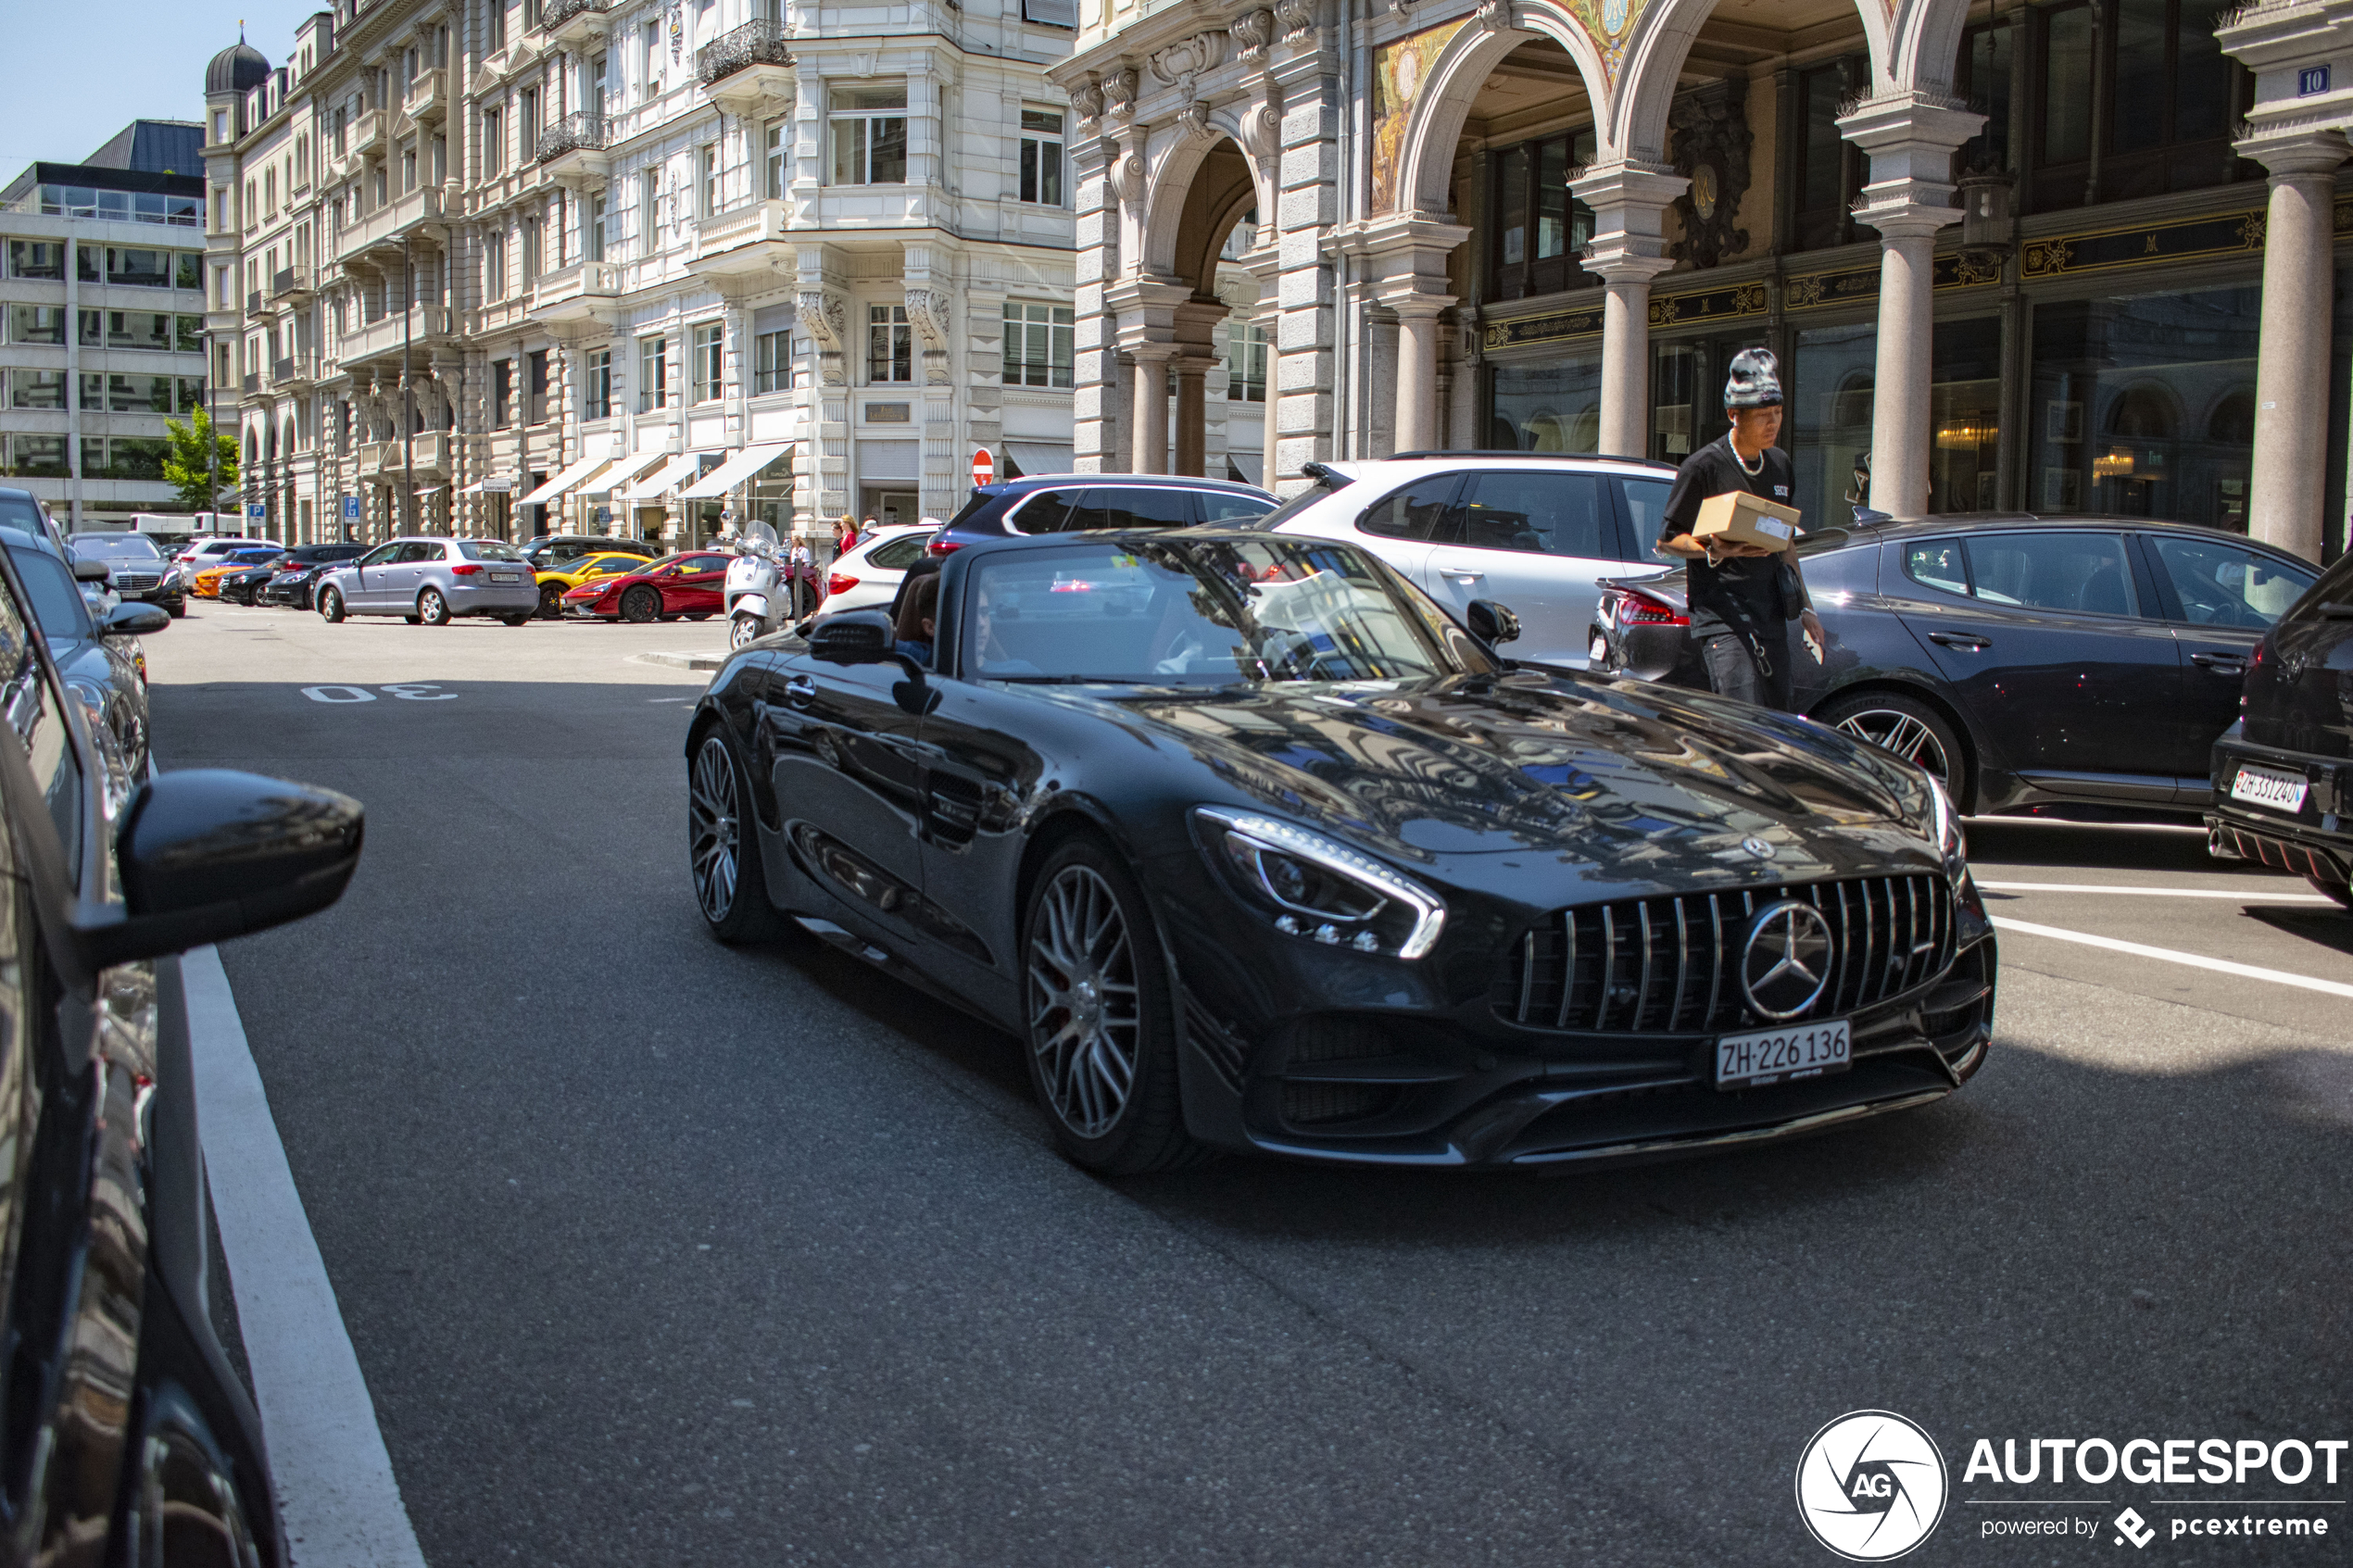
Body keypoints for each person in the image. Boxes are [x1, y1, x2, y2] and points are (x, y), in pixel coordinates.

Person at [1655, 347, 1825, 711]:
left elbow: (1786, 542)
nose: (1773, 423)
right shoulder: (1703, 466)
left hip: (1771, 613)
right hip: (1722, 616)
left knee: (1777, 719)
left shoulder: (1780, 465)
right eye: (1763, 415)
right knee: (1741, 717)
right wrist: (1714, 550)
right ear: (1734, 415)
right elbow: (1667, 540)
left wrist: (1807, 609)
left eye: (1777, 413)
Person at [894, 571, 938, 666]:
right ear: (930, 627)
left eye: (979, 611)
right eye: (964, 613)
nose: (978, 623)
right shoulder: (920, 656)